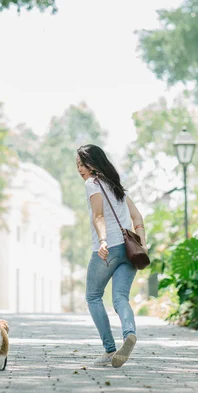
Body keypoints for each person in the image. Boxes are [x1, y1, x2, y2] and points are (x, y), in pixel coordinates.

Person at [76, 144, 147, 368]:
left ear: (93, 163)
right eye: (77, 165)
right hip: (129, 251)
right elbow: (138, 219)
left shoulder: (93, 184)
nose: (79, 169)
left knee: (93, 296)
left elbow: (98, 216)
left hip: (110, 248)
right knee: (120, 299)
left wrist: (104, 240)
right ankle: (129, 334)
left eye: (82, 164)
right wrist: (142, 244)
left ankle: (109, 350)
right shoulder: (117, 186)